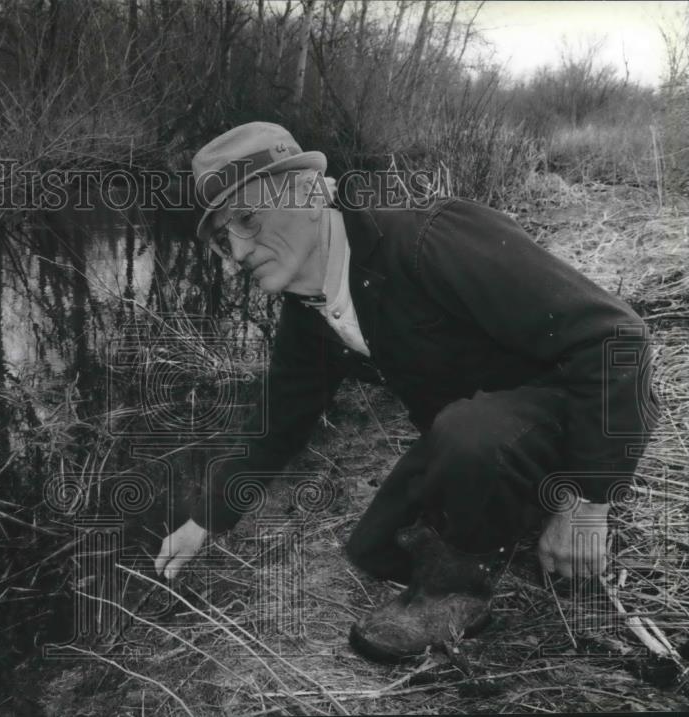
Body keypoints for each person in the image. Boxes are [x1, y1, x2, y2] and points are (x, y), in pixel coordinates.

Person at [152, 122, 655, 661]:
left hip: (574, 412)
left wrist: (590, 498)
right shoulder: (311, 309)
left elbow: (618, 338)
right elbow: (278, 424)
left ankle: (457, 595)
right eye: (221, 236)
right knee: (374, 548)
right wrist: (204, 519)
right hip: (483, 439)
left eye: (248, 219)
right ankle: (515, 519)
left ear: (310, 192)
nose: (237, 250)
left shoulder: (430, 240)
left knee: (469, 434)